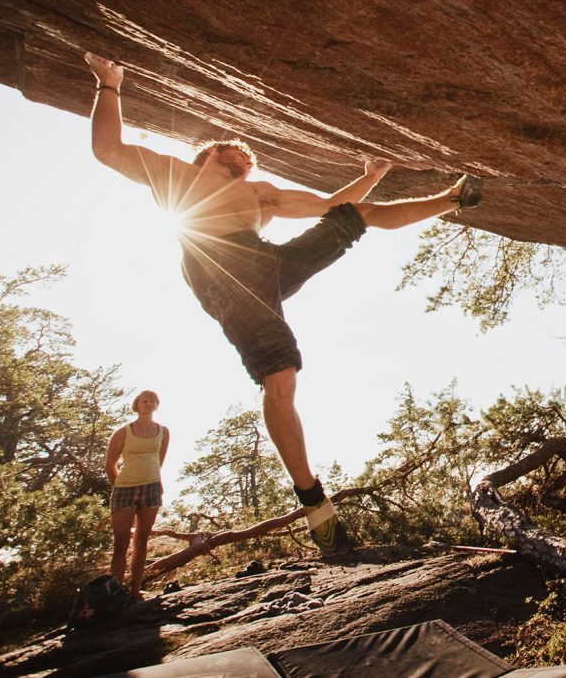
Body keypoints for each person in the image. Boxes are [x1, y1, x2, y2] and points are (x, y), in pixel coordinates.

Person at [83, 51, 483, 554]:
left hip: (268, 266)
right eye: (236, 160)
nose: (246, 166)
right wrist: (109, 83)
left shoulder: (259, 192)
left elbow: (329, 206)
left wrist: (374, 173)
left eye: (249, 163)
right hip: (223, 275)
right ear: (207, 154)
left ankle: (454, 197)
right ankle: (316, 506)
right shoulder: (173, 175)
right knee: (281, 377)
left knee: (355, 216)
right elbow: (108, 149)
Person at [106, 389, 171, 599]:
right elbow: (110, 464)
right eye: (145, 400)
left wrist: (150, 478)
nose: (149, 403)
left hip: (151, 487)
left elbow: (159, 460)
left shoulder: (163, 431)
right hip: (125, 488)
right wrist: (121, 483)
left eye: (153, 400)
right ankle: (115, 591)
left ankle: (135, 589)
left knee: (142, 539)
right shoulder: (124, 432)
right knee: (120, 542)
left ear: (157, 404)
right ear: (137, 405)